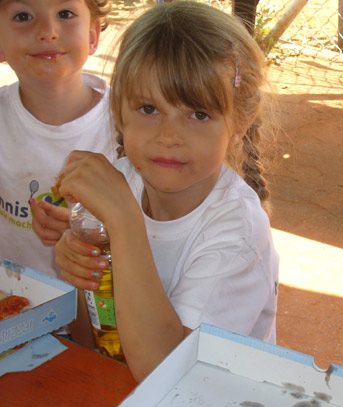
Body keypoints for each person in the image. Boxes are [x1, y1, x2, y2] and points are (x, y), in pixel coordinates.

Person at [53, 1, 279, 382]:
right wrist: (80, 276)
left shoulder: (237, 230)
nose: (169, 136)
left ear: (239, 125)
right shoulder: (120, 182)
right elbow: (91, 338)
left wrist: (124, 220)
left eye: (199, 114)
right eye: (147, 108)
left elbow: (169, 373)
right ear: (119, 113)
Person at [0, 0, 117, 278]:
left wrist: (85, 235)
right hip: (16, 308)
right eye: (23, 15)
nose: (48, 31)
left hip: (102, 310)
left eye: (65, 14)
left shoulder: (129, 123)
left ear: (92, 35)